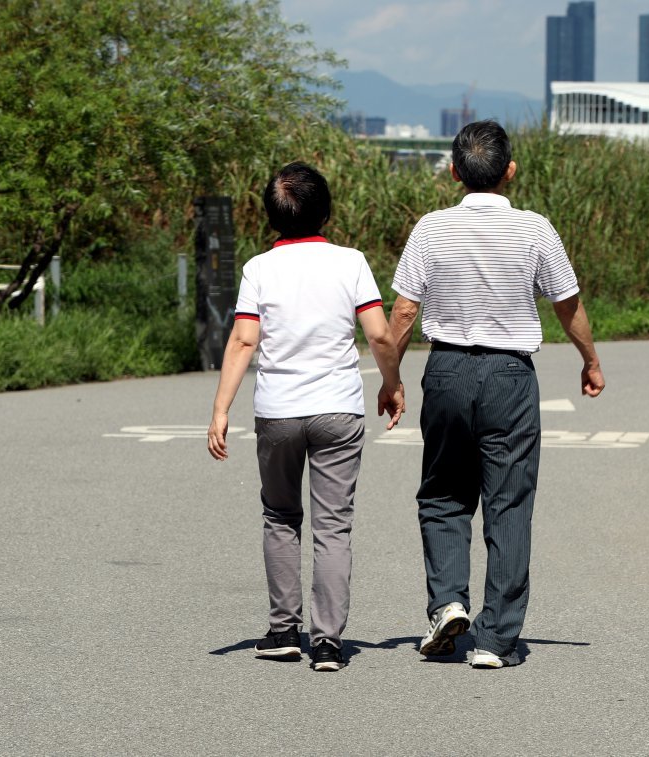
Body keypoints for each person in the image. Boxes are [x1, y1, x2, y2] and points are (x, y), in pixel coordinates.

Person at [387, 120, 605, 669]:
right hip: (510, 375)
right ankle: (495, 639)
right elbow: (566, 303)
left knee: (442, 494)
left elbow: (406, 311)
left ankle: (448, 603)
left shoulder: (431, 229)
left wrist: (391, 379)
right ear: (510, 171)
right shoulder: (535, 230)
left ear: (455, 172)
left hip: (447, 369)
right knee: (507, 503)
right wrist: (590, 360)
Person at [208, 162, 405, 673]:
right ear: (326, 211)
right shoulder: (351, 262)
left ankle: (282, 631)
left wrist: (221, 408)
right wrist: (391, 383)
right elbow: (380, 335)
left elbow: (244, 339)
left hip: (278, 412)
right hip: (338, 408)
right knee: (332, 527)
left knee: (280, 516)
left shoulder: (258, 269)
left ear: (270, 216)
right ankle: (327, 643)